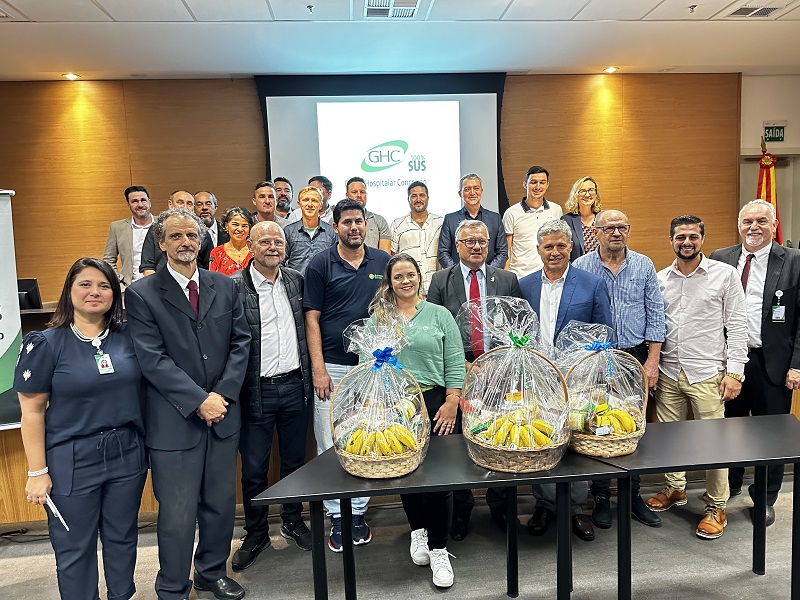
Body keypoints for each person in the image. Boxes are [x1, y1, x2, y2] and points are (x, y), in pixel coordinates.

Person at [125, 208, 251, 600]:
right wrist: (199, 400)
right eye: (177, 236)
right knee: (178, 514)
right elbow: (152, 359)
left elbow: (241, 343)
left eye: (192, 236)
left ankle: (211, 573)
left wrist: (221, 395)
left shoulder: (225, 286)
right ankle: (173, 587)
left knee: (220, 505)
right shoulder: (141, 293)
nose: (186, 243)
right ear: (161, 243)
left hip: (223, 416)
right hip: (174, 423)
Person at [14, 257, 147, 600]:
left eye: (104, 285)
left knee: (122, 537)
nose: (94, 292)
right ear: (69, 291)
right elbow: (32, 412)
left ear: (115, 294)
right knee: (75, 546)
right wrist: (37, 472)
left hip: (127, 453)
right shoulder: (45, 343)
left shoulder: (129, 337)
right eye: (85, 284)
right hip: (71, 459)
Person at [645, 215, 748, 540]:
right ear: (671, 240)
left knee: (714, 444)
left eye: (692, 236)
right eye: (680, 237)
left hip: (707, 374)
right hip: (669, 372)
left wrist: (735, 372)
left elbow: (738, 325)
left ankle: (716, 506)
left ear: (702, 239)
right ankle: (675, 487)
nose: (686, 242)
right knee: (671, 438)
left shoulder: (724, 275)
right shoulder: (660, 279)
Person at [369, 253, 465, 588]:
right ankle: (418, 532)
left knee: (438, 479)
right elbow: (368, 362)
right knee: (407, 473)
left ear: (419, 277)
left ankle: (439, 548)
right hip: (398, 404)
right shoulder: (380, 317)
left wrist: (452, 400)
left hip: (438, 403)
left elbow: (455, 359)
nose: (405, 281)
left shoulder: (439, 314)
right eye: (398, 277)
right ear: (389, 281)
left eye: (410, 275)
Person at [303, 198, 391, 552]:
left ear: (365, 224)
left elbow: (391, 311)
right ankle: (336, 516)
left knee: (366, 438)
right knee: (330, 442)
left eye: (359, 221)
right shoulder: (320, 264)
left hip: (373, 367)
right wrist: (319, 369)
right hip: (333, 369)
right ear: (335, 226)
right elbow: (311, 319)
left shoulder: (382, 261)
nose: (354, 227)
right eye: (347, 222)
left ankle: (356, 513)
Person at [427, 219, 522, 539]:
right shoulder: (441, 280)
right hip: (458, 374)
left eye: (482, 240)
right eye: (469, 241)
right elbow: (434, 330)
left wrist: (500, 360)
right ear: (457, 246)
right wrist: (464, 365)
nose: (477, 246)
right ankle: (460, 510)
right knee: (457, 444)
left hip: (501, 373)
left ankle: (502, 505)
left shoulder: (507, 279)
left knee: (502, 438)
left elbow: (518, 326)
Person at [519, 219, 612, 542]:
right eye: (549, 246)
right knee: (542, 441)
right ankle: (544, 505)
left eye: (561, 245)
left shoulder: (592, 284)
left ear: (571, 247)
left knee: (575, 442)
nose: (555, 252)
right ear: (538, 250)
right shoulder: (525, 285)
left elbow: (605, 331)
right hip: (538, 378)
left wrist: (598, 377)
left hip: (579, 378)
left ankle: (575, 509)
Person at [710, 199, 800, 527]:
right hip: (729, 362)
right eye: (747, 221)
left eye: (762, 221)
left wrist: (797, 364)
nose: (754, 227)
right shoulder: (721, 258)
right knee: (730, 429)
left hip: (772, 363)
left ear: (774, 225)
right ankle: (730, 484)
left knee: (771, 435)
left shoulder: (794, 261)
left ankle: (764, 496)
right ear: (739, 225)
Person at [572, 209, 665, 529]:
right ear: (595, 232)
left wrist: (652, 361)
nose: (616, 233)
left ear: (628, 230)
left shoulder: (643, 265)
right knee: (598, 425)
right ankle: (600, 496)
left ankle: (631, 494)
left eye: (622, 227)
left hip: (634, 356)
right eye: (609, 228)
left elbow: (656, 314)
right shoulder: (581, 266)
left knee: (632, 426)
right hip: (596, 358)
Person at [230, 221, 314, 570]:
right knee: (254, 469)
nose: (272, 247)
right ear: (250, 246)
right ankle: (256, 532)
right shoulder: (234, 286)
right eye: (264, 241)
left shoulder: (296, 280)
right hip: (255, 390)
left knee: (294, 462)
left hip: (295, 384)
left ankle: (293, 520)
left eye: (278, 241)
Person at [503, 166, 563, 277]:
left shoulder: (556, 210)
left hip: (549, 275)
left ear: (547, 185)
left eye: (542, 182)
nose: (538, 187)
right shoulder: (511, 213)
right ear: (525, 185)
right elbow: (507, 249)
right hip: (520, 275)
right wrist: (506, 277)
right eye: (533, 182)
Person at [439, 173, 507, 269]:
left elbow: (502, 253)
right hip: (458, 276)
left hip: (489, 275)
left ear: (481, 191)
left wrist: (487, 272)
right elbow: (443, 253)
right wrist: (458, 273)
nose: (472, 193)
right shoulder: (450, 219)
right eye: (467, 189)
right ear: (460, 193)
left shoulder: (495, 219)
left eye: (476, 188)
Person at [140, 190, 214, 274]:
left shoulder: (203, 231)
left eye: (189, 204)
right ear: (170, 204)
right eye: (180, 202)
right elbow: (147, 267)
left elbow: (209, 266)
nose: (185, 207)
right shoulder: (156, 229)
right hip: (160, 279)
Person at [390, 181, 443, 295]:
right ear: (408, 199)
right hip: (409, 287)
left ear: (428, 198)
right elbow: (391, 258)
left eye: (422, 195)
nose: (418, 199)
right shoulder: (397, 224)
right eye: (414, 196)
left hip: (437, 287)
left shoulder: (441, 222)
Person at [103, 185, 154, 289]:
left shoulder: (163, 224)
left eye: (143, 200)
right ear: (128, 204)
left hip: (159, 286)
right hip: (130, 287)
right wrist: (118, 282)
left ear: (149, 202)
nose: (140, 205)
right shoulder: (117, 227)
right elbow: (108, 259)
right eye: (135, 201)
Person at [283, 185, 337, 274]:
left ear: (320, 205)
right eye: (305, 200)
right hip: (296, 282)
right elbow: (280, 261)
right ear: (299, 204)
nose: (310, 204)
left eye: (314, 201)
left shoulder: (330, 231)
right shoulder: (289, 231)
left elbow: (336, 261)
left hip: (323, 282)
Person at [344, 176, 391, 252]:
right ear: (347, 195)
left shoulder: (380, 221)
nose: (359, 195)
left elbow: (385, 255)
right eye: (354, 192)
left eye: (362, 192)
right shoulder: (338, 220)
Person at [561, 176, 602, 262]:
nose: (587, 194)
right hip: (578, 268)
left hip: (602, 268)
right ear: (575, 194)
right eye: (583, 191)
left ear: (596, 194)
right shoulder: (567, 221)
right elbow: (563, 251)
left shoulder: (603, 218)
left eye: (591, 190)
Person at [209, 207, 256, 276]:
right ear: (226, 226)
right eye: (235, 225)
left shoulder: (256, 251)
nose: (240, 229)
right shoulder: (217, 252)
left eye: (244, 226)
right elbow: (212, 278)